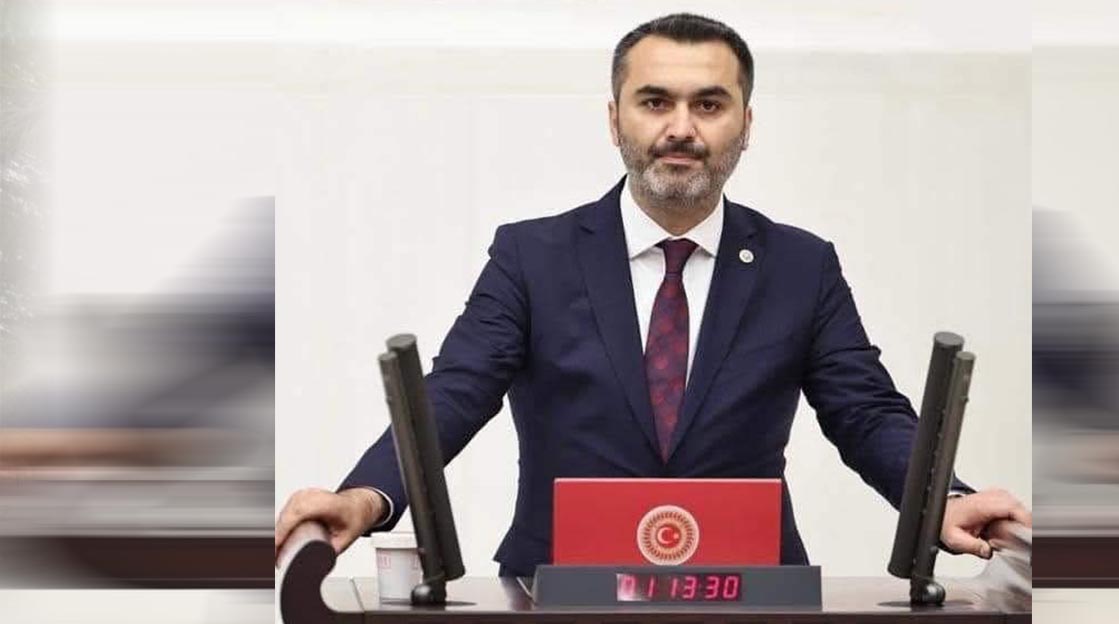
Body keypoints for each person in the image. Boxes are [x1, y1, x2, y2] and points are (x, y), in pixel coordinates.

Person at [275, 13, 1030, 577]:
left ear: (746, 125)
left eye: (709, 104)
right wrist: (366, 497)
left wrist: (944, 500)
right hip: (554, 594)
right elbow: (454, 393)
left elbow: (864, 412)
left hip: (753, 595)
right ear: (615, 120)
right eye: (655, 101)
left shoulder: (802, 266)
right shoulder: (532, 256)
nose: (681, 128)